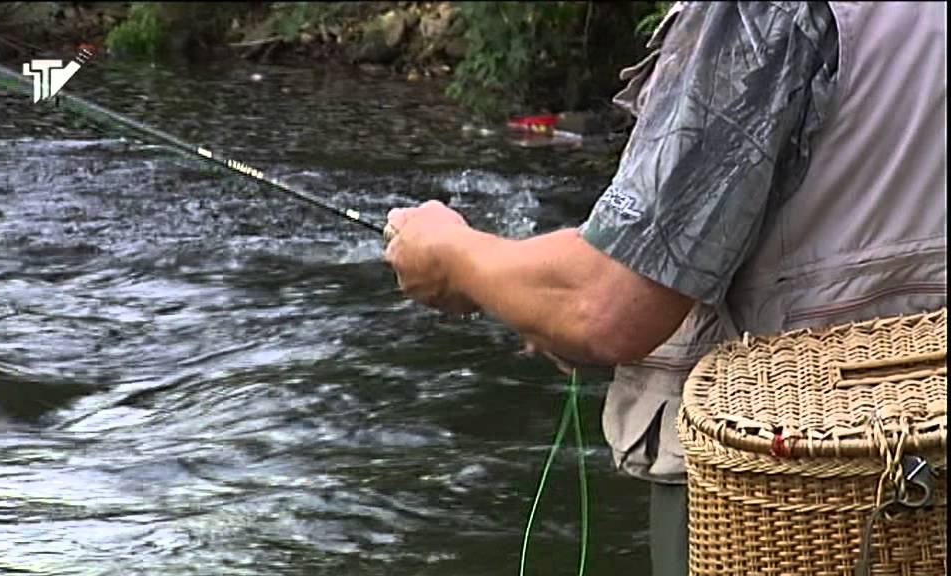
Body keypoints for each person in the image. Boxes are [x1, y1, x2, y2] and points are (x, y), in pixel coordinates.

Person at [383, 2, 946, 575]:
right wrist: (537, 297)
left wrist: (450, 254)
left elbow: (606, 306)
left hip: (780, 498)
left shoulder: (758, 11)